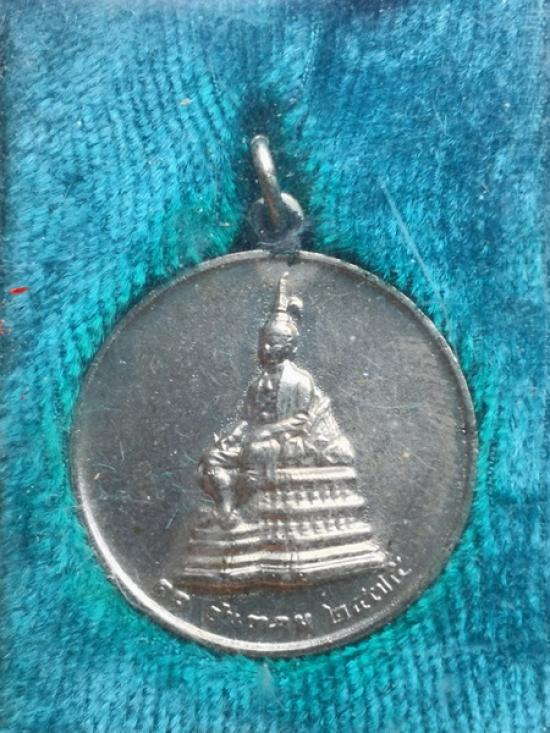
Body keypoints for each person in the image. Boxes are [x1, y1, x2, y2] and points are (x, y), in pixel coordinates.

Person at [198, 274, 354, 522]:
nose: (266, 349)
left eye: (273, 344)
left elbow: (299, 422)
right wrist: (232, 436)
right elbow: (246, 419)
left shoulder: (299, 381)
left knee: (256, 451)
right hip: (255, 438)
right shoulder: (257, 384)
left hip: (286, 442)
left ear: (290, 347)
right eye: (263, 343)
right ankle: (227, 508)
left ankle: (249, 511)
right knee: (212, 457)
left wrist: (265, 432)